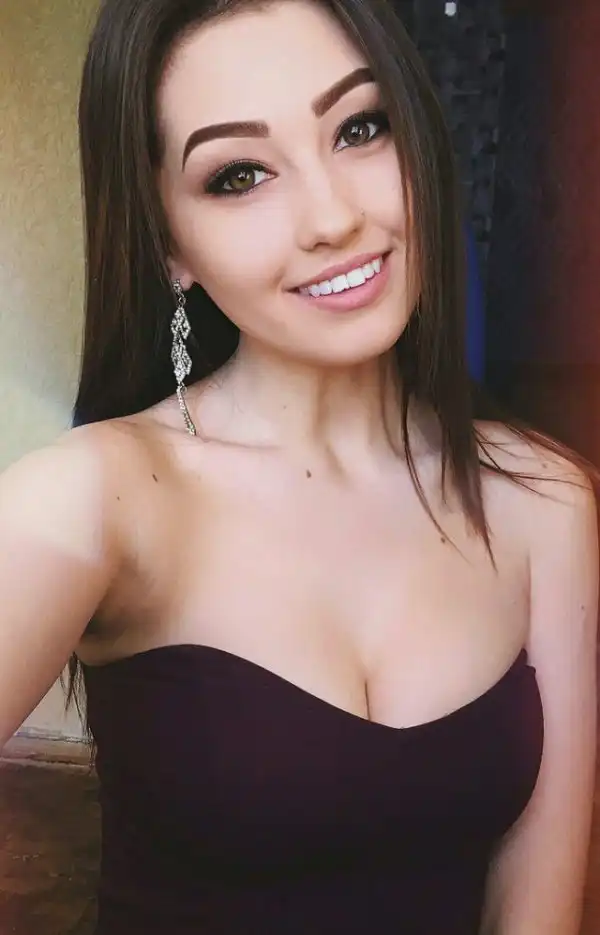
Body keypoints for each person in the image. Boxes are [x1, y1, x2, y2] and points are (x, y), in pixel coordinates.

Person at [0, 0, 597, 932]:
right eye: (238, 175)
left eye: (360, 127)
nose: (333, 217)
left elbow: (540, 906)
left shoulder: (546, 500)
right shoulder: (95, 498)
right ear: (167, 244)